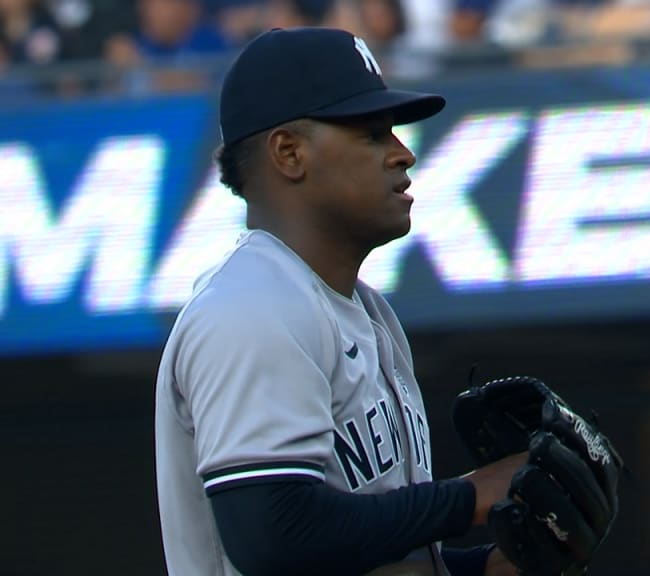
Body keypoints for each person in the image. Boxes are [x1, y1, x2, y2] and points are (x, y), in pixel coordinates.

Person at [154, 26, 526, 576]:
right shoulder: (250, 307)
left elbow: (373, 551)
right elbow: (273, 534)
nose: (402, 154)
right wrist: (470, 497)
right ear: (289, 152)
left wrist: (492, 567)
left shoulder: (368, 313)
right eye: (372, 134)